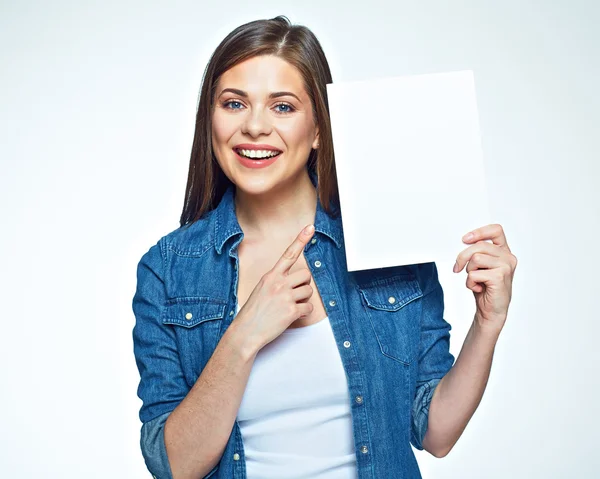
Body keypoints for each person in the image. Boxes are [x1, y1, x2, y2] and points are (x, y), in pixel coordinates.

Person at [132, 15, 517, 479]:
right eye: (234, 103)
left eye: (283, 107)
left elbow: (434, 433)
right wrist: (244, 335)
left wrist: (488, 324)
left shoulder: (389, 238)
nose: (254, 127)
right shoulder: (168, 270)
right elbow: (174, 465)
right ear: (209, 119)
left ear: (318, 129)